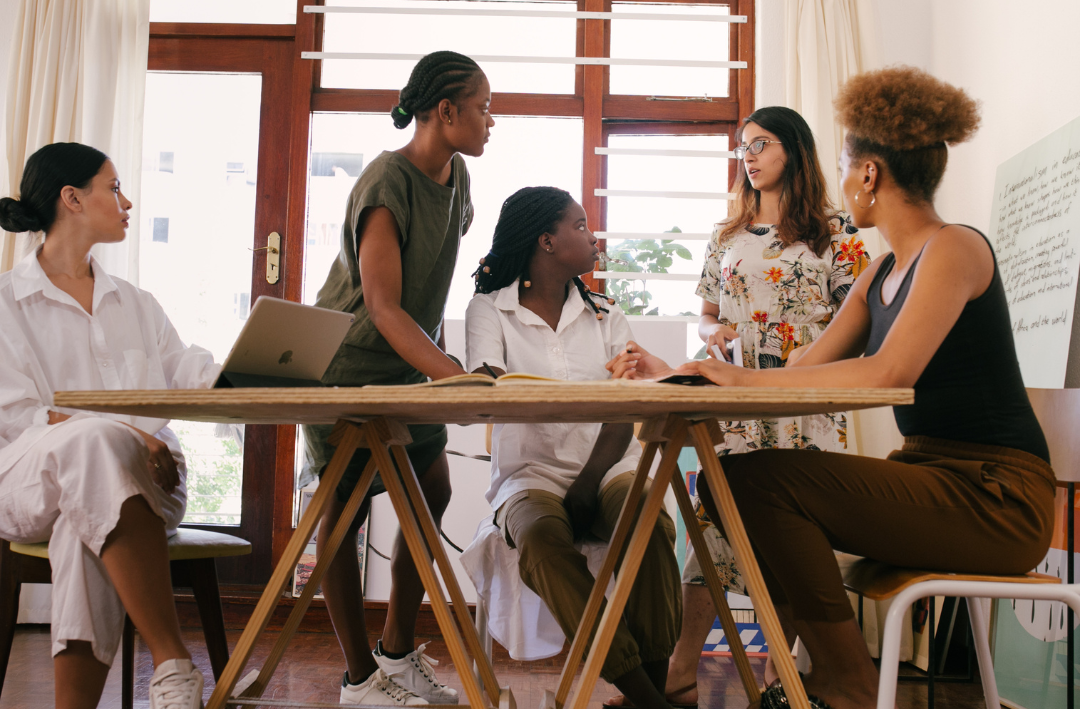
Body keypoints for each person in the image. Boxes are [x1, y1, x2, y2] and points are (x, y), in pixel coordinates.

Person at [610, 66, 1054, 709]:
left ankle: (843, 678)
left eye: (848, 167)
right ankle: (828, 673)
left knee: (759, 483)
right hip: (934, 474)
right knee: (738, 481)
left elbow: (886, 374)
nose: (843, 181)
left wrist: (735, 375)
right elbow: (795, 374)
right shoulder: (882, 272)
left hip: (996, 495)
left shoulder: (953, 249)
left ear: (869, 174)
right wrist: (675, 371)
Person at [300, 50, 494, 706]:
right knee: (345, 513)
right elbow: (381, 305)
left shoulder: (458, 179)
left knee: (429, 493)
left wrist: (440, 370)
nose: (491, 121)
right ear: (446, 111)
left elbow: (430, 290)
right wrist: (457, 376)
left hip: (411, 366)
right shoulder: (385, 179)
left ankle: (398, 653)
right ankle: (359, 678)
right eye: (483, 108)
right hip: (348, 366)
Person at [0, 143, 221, 709]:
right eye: (114, 187)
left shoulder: (137, 303)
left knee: (85, 527)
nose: (127, 200)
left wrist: (270, 369)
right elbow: (18, 415)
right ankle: (173, 659)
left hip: (147, 484)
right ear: (71, 199)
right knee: (98, 443)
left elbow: (193, 373)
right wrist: (129, 435)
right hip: (27, 480)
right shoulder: (6, 305)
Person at [665, 106, 870, 707]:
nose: (748, 157)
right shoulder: (727, 233)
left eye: (760, 144)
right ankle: (680, 672)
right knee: (711, 529)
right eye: (742, 148)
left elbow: (863, 320)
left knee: (796, 540)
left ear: (794, 151)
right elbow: (706, 312)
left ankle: (784, 676)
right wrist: (712, 335)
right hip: (734, 399)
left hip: (805, 404)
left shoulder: (837, 231)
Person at [464, 187, 681, 709]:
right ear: (547, 242)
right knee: (541, 541)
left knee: (650, 523)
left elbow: (620, 416)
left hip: (607, 470)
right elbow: (489, 391)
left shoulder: (605, 314)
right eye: (581, 226)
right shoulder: (490, 311)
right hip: (528, 476)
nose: (593, 235)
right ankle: (649, 699)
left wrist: (586, 484)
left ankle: (642, 696)